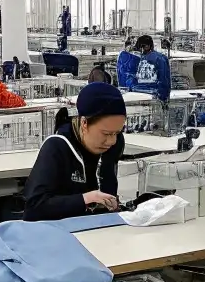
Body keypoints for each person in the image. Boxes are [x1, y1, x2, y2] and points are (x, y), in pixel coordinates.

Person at [23, 82, 127, 221]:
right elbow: (34, 207)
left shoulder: (115, 144)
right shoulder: (57, 147)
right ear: (84, 123)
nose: (112, 141)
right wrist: (86, 199)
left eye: (117, 133)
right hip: (61, 231)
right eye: (106, 134)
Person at [131, 35, 171, 101]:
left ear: (147, 46)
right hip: (148, 95)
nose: (141, 50)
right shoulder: (160, 58)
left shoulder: (159, 59)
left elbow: (164, 81)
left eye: (142, 47)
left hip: (150, 95)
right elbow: (164, 81)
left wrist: (163, 97)